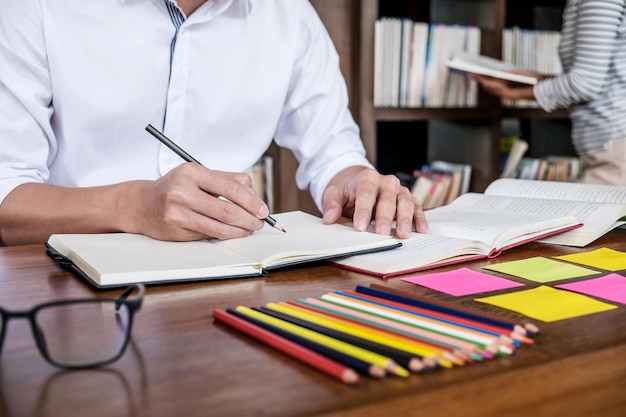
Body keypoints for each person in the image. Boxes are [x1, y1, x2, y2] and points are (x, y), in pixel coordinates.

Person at [0, 0, 428, 246]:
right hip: (62, 284)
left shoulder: (289, 14)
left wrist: (358, 183)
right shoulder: (34, 7)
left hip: (231, 277)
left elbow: (334, 153)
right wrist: (132, 205)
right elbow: (6, 197)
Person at [472, 0, 626, 186]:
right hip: (608, 146)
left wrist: (513, 94)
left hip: (614, 147)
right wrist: (534, 79)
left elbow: (584, 84)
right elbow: (599, 76)